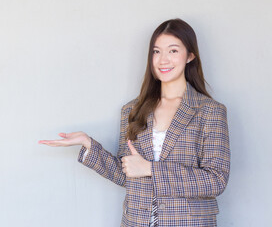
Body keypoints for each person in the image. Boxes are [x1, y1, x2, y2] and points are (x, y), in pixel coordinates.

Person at [39, 18, 230, 227]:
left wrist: (150, 169)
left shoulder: (210, 111)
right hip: (136, 221)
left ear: (190, 56)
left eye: (173, 51)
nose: (163, 60)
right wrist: (88, 144)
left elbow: (216, 180)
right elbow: (127, 175)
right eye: (156, 52)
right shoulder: (132, 110)